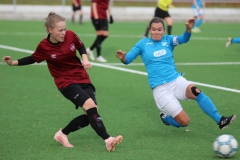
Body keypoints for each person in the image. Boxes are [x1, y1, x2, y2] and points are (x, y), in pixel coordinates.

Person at [2, 12, 122, 152]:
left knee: (92, 112)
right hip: (65, 82)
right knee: (90, 107)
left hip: (82, 77)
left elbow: (81, 46)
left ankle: (62, 134)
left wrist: (85, 58)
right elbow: (32, 58)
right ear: (50, 30)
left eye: (65, 29)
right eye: (60, 30)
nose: (64, 33)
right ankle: (108, 140)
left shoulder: (70, 35)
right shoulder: (44, 47)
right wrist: (12, 63)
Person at [116, 17, 236, 130]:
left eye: (159, 29)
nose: (156, 32)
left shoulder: (168, 40)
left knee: (196, 91)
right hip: (161, 90)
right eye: (153, 29)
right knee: (184, 122)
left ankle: (220, 120)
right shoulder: (142, 44)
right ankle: (166, 118)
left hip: (176, 80)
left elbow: (184, 39)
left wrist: (188, 29)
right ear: (149, 30)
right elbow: (128, 59)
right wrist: (123, 58)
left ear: (163, 30)